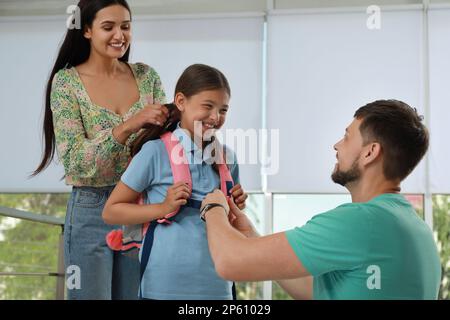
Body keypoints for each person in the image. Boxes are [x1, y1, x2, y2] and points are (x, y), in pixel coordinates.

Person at [201, 99, 441, 300]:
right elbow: (317, 291)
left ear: (370, 152)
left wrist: (213, 207)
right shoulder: (416, 228)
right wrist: (251, 236)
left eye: (347, 137)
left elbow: (229, 262)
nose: (336, 145)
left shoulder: (360, 221)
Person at [33, 0, 169, 299]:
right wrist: (128, 125)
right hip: (90, 209)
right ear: (86, 31)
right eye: (108, 27)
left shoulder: (147, 76)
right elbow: (76, 162)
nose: (119, 35)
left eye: (125, 26)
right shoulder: (67, 83)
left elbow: (164, 147)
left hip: (138, 208)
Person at [102, 64, 248, 300]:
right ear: (181, 101)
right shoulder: (155, 152)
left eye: (223, 110)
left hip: (218, 287)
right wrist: (163, 207)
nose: (215, 117)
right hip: (162, 287)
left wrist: (236, 204)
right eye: (208, 106)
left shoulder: (227, 158)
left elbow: (228, 222)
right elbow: (111, 212)